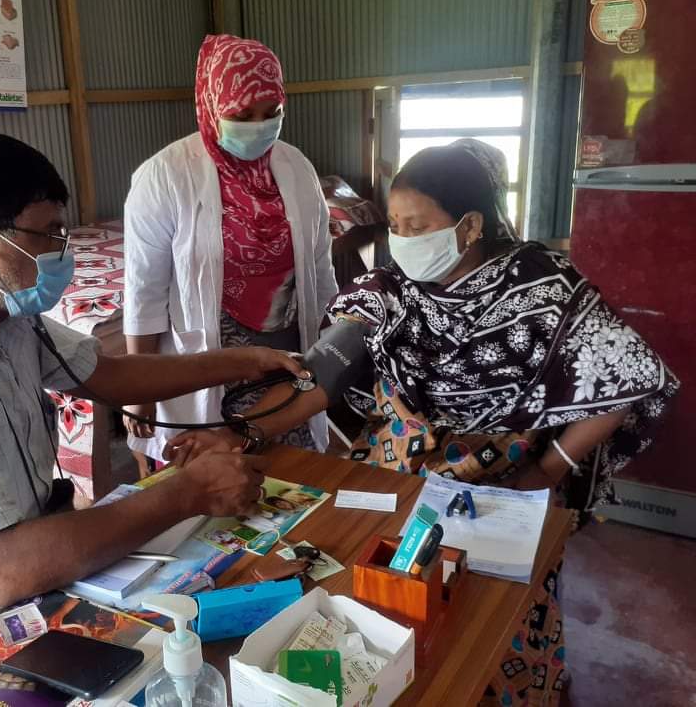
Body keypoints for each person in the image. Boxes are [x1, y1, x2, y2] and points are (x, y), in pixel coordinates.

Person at [167, 139, 678, 706]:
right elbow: (320, 380)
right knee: (376, 597)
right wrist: (243, 432)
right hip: (397, 468)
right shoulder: (390, 293)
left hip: (503, 480)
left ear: (469, 226)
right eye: (394, 224)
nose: (401, 241)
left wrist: (546, 471)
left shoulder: (546, 286)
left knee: (489, 619)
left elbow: (626, 380)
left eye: (416, 225)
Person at [0, 125, 307, 636]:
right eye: (49, 234)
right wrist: (188, 492)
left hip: (21, 568)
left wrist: (244, 361)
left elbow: (108, 374)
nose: (63, 250)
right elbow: (3, 570)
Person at [121, 34, 338, 465]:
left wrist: (331, 351)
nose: (259, 126)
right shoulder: (165, 176)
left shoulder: (296, 167)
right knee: (216, 477)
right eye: (243, 115)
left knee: (291, 475)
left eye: (271, 113)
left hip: (287, 362)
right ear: (212, 104)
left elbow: (319, 265)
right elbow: (144, 291)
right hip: (209, 365)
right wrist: (140, 392)